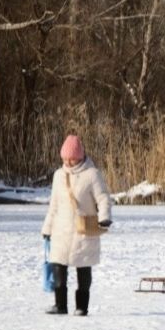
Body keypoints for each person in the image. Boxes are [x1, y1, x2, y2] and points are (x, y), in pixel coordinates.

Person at [41, 133, 112, 316]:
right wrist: (47, 228)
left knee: (83, 268)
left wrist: (104, 217)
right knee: (58, 267)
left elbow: (103, 198)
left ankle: (82, 307)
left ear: (80, 157)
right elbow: (54, 205)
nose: (68, 162)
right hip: (61, 231)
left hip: (83, 230)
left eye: (71, 159)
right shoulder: (58, 175)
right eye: (65, 158)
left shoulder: (92, 175)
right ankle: (60, 305)